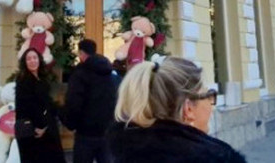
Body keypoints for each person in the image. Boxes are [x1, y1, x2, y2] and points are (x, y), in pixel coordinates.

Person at [105, 56, 246, 163]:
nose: (211, 103)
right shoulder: (218, 158)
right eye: (208, 95)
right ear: (188, 109)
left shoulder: (123, 152)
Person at [61, 39, 118, 163]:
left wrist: (69, 122)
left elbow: (74, 103)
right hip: (106, 131)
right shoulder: (109, 73)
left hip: (85, 133)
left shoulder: (80, 75)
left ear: (81, 53)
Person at [15, 48, 64, 163]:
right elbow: (26, 107)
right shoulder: (23, 81)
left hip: (46, 128)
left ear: (39, 60)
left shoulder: (42, 79)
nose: (32, 61)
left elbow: (46, 103)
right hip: (33, 132)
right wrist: (38, 126)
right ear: (24, 62)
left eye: (35, 58)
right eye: (28, 59)